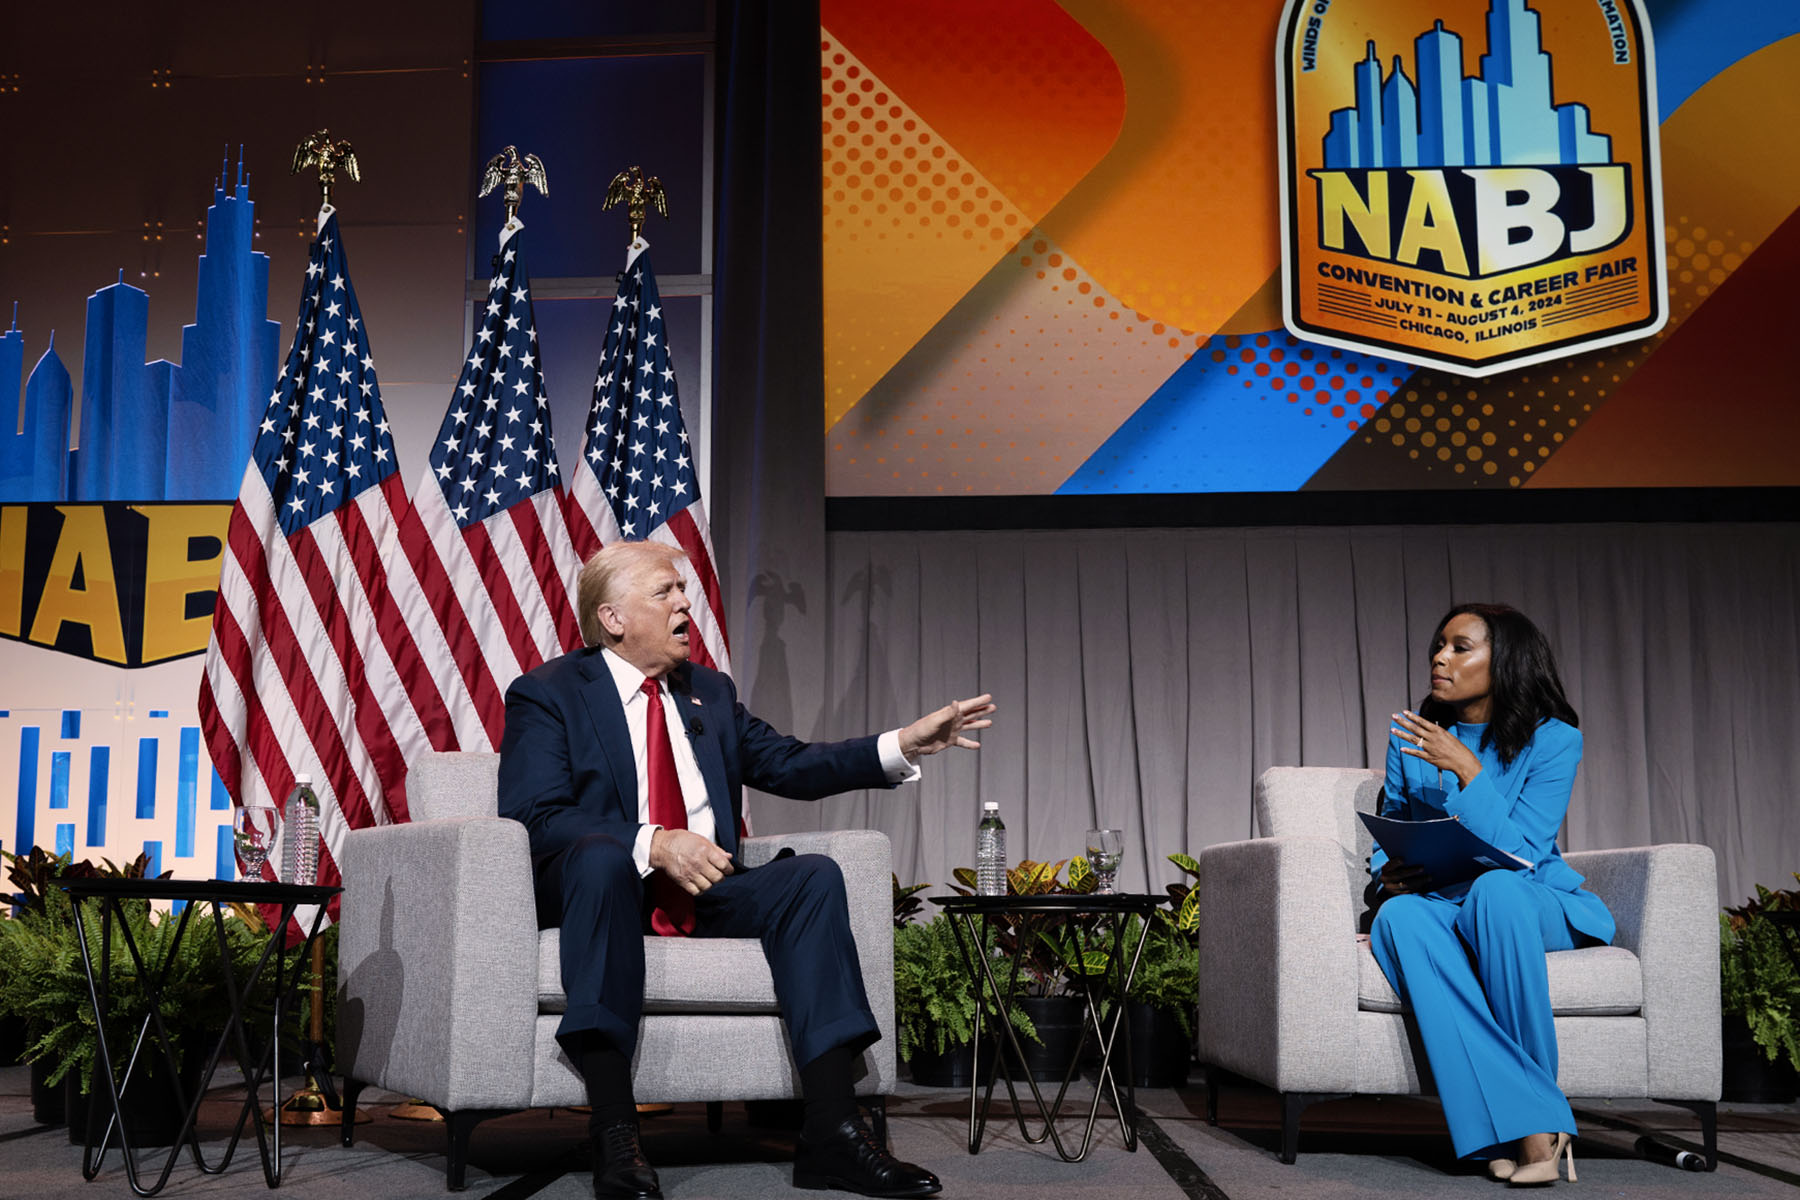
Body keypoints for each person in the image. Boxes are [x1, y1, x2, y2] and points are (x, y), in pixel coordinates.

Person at [499, 540, 993, 1200]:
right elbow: (535, 814)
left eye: (682, 590)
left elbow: (791, 764)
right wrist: (653, 841)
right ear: (613, 618)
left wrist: (898, 746)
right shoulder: (548, 693)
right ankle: (615, 1133)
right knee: (599, 857)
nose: (685, 602)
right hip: (603, 890)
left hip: (705, 888)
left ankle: (832, 1133)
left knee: (811, 876)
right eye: (665, 592)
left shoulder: (709, 691)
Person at [1369, 603, 1614, 1187]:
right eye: (1439, 644)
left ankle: (1533, 1129)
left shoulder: (1556, 741)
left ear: (1504, 661)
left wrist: (1471, 774)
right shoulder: (1412, 738)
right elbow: (1393, 824)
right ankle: (1525, 1124)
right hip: (1442, 899)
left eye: (1460, 647)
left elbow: (1525, 852)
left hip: (1530, 899)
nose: (1439, 656)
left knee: (1496, 892)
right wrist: (1387, 874)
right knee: (1399, 917)